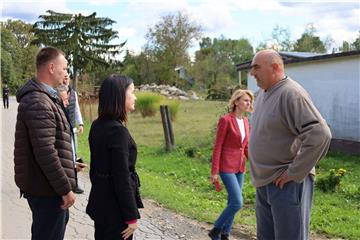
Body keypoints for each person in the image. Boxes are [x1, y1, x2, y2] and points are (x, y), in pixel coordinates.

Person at [249, 49, 332, 240]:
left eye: (256, 68)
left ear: (275, 67)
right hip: (264, 183)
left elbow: (320, 134)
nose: (252, 73)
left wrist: (294, 172)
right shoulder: (262, 94)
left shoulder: (291, 94)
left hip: (286, 184)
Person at [14, 47, 77, 240]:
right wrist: (65, 190)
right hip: (47, 189)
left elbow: (53, 142)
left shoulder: (47, 97)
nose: (67, 72)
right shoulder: (38, 101)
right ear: (51, 67)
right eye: (64, 67)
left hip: (48, 186)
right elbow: (46, 152)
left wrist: (71, 163)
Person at [86, 74, 144, 240]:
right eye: (132, 92)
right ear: (119, 95)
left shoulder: (97, 125)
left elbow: (95, 171)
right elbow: (122, 177)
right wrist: (131, 216)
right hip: (115, 210)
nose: (135, 97)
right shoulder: (117, 131)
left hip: (101, 204)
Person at [209, 89, 254, 240]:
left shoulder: (246, 121)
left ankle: (225, 235)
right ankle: (216, 229)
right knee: (237, 202)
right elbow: (218, 146)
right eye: (245, 100)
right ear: (236, 102)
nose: (248, 103)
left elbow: (245, 146)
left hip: (240, 167)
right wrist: (214, 171)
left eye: (249, 101)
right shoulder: (226, 120)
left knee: (232, 201)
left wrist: (254, 165)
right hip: (226, 166)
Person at [63, 78, 85, 194]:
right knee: (64, 156)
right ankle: (65, 183)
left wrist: (80, 123)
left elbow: (76, 109)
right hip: (61, 130)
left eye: (68, 76)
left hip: (72, 129)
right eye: (64, 75)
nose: (66, 78)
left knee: (74, 155)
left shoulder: (73, 94)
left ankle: (74, 183)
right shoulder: (55, 92)